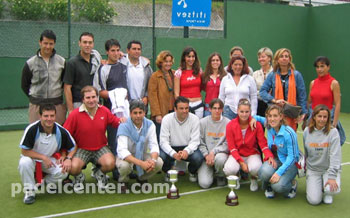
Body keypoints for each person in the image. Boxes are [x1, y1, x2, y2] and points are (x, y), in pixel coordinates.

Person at [63, 86, 123, 191]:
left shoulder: (104, 110)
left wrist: (122, 120)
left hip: (100, 148)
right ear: (83, 99)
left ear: (97, 97)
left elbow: (115, 121)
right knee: (73, 168)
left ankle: (98, 173)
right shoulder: (74, 115)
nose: (91, 100)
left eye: (93, 97)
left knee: (110, 164)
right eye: (88, 98)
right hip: (81, 149)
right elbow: (65, 135)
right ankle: (79, 177)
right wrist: (66, 156)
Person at [18, 103, 76, 204]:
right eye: (46, 116)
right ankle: (30, 192)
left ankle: (43, 184)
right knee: (24, 163)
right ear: (40, 116)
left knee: (64, 171)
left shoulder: (61, 131)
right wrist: (43, 157)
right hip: (32, 159)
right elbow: (24, 151)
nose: (49, 119)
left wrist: (68, 158)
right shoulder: (32, 129)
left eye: (52, 116)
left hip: (48, 161)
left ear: (55, 116)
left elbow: (73, 147)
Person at [93, 39, 128, 180]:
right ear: (107, 52)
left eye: (117, 50)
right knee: (114, 140)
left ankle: (128, 167)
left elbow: (138, 58)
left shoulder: (125, 64)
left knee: (128, 139)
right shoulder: (102, 69)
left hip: (126, 110)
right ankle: (115, 170)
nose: (115, 53)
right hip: (110, 111)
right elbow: (100, 91)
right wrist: (117, 95)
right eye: (112, 50)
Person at [223, 98, 274, 191]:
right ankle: (236, 176)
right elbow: (232, 147)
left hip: (252, 153)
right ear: (237, 111)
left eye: (247, 111)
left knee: (257, 168)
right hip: (236, 154)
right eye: (241, 111)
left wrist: (269, 156)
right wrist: (241, 162)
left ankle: (254, 178)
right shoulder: (230, 125)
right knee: (229, 169)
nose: (244, 114)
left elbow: (263, 144)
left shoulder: (257, 125)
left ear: (250, 111)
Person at [21, 29, 67, 125]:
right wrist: (35, 98)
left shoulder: (62, 62)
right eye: (45, 43)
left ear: (54, 44)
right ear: (40, 42)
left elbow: (64, 83)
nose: (48, 46)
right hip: (36, 105)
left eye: (51, 44)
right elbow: (25, 85)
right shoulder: (30, 63)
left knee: (57, 134)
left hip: (56, 105)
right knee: (37, 135)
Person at [116, 100, 163, 189]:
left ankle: (141, 178)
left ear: (144, 113)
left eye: (140, 113)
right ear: (130, 114)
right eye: (135, 113)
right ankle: (123, 180)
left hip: (142, 153)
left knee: (159, 162)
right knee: (124, 166)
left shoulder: (150, 124)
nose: (138, 116)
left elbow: (154, 145)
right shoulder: (123, 126)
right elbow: (122, 151)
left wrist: (153, 160)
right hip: (127, 156)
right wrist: (141, 164)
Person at [260, 48, 307, 131]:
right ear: (277, 59)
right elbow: (263, 91)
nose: (284, 58)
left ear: (289, 59)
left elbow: (302, 96)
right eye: (281, 56)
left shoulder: (297, 75)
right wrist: (274, 100)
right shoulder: (272, 75)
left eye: (286, 56)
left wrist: (302, 113)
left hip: (292, 114)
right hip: (276, 113)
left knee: (290, 137)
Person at [258, 104, 299, 199]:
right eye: (270, 116)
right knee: (263, 172)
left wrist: (278, 173)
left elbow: (292, 158)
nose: (272, 119)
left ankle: (292, 185)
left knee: (278, 186)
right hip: (276, 159)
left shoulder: (289, 133)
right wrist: (252, 118)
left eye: (275, 116)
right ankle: (270, 183)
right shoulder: (269, 125)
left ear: (281, 117)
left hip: (290, 163)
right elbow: (258, 118)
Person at [303, 105, 341, 205]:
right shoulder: (307, 131)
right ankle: (316, 184)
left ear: (328, 118)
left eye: (325, 117)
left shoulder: (333, 132)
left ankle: (327, 192)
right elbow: (307, 153)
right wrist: (306, 169)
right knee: (314, 201)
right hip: (313, 170)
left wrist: (332, 177)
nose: (322, 119)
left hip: (328, 169)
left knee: (330, 189)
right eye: (319, 116)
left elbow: (335, 156)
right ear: (314, 117)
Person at [159, 96, 203, 182]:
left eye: (186, 108)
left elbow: (195, 141)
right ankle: (168, 170)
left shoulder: (195, 119)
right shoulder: (166, 119)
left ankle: (192, 171)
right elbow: (163, 142)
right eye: (181, 108)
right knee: (161, 156)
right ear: (175, 109)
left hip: (187, 147)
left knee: (198, 157)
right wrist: (173, 153)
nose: (185, 111)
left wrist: (187, 151)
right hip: (171, 147)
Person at [308, 56, 346, 145]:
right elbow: (309, 102)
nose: (319, 69)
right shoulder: (313, 83)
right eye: (317, 67)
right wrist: (309, 118)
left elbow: (337, 104)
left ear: (328, 67)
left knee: (329, 147)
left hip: (328, 120)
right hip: (313, 121)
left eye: (322, 66)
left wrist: (334, 124)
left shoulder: (334, 83)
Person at [63, 32, 102, 114]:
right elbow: (67, 88)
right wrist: (71, 110)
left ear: (93, 44)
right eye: (85, 42)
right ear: (79, 43)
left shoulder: (97, 61)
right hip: (78, 104)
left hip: (95, 103)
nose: (87, 45)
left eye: (90, 42)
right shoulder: (72, 63)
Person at [198, 98, 230, 188]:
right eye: (214, 108)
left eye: (219, 108)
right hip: (206, 157)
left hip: (220, 155)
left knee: (220, 159)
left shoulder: (228, 123)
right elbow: (200, 142)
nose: (217, 111)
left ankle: (220, 175)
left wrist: (213, 152)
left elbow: (228, 144)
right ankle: (204, 171)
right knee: (204, 184)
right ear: (210, 109)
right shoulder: (202, 122)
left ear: (222, 109)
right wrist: (206, 155)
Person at [148, 51, 175, 143]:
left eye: (170, 61)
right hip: (162, 112)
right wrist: (157, 114)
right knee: (161, 137)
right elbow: (152, 97)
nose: (168, 64)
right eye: (166, 61)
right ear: (161, 62)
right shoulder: (155, 76)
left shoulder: (174, 74)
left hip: (173, 111)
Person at [219, 55, 257, 120]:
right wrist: (220, 111)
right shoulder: (225, 79)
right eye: (235, 64)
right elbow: (221, 97)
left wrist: (253, 114)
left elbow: (253, 98)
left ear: (243, 66)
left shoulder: (250, 79)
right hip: (228, 111)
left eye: (240, 65)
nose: (238, 67)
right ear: (231, 66)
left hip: (245, 111)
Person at [120, 40, 153, 106]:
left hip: (141, 105)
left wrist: (147, 97)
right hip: (125, 104)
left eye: (139, 49)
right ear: (128, 50)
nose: (136, 51)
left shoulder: (147, 67)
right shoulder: (120, 64)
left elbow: (151, 84)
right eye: (134, 49)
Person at [174, 47, 203, 118]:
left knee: (197, 127)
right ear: (184, 58)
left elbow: (201, 87)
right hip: (185, 105)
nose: (191, 59)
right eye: (188, 56)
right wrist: (180, 105)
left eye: (193, 56)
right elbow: (176, 93)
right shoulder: (179, 72)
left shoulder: (199, 71)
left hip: (198, 104)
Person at [202, 52, 227, 117]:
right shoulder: (205, 75)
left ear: (220, 62)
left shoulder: (225, 76)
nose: (215, 62)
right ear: (210, 62)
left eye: (217, 60)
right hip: (208, 106)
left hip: (220, 106)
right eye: (213, 60)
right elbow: (203, 88)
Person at [252, 47, 273, 117]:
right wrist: (264, 93)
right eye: (259, 57)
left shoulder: (275, 73)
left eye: (263, 57)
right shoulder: (255, 74)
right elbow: (253, 91)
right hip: (259, 105)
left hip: (273, 105)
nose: (261, 59)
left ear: (269, 58)